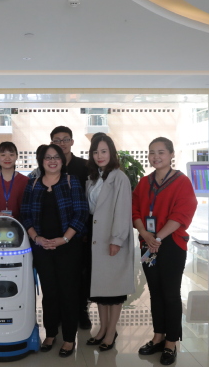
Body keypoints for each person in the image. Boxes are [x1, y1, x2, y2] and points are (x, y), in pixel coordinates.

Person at [132, 137, 197, 365]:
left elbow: (182, 214)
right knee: (155, 292)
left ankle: (171, 341)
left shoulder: (182, 182)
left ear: (171, 154)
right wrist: (146, 235)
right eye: (152, 152)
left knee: (170, 293)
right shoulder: (144, 182)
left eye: (161, 152)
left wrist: (158, 237)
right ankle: (158, 336)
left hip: (171, 243)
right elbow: (135, 210)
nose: (156, 156)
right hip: (148, 242)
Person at [21, 144, 89, 358]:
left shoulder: (71, 181)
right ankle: (50, 334)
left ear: (62, 160)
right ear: (41, 161)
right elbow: (25, 214)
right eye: (48, 157)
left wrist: (63, 239)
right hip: (42, 247)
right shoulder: (33, 184)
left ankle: (69, 338)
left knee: (68, 292)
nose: (52, 161)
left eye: (56, 157)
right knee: (49, 292)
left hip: (68, 247)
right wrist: (36, 238)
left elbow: (81, 213)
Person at [85, 134, 135, 351]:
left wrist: (117, 239)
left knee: (114, 289)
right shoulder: (93, 178)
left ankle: (111, 331)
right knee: (100, 289)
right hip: (96, 238)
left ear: (112, 153)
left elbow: (123, 211)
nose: (100, 156)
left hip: (112, 238)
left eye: (104, 151)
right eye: (96, 152)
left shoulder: (119, 177)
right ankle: (103, 328)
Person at [50, 125, 92, 329]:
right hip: (54, 230)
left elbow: (89, 200)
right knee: (58, 274)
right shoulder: (48, 165)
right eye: (57, 140)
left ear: (72, 142)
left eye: (65, 139)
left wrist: (83, 230)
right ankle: (59, 312)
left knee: (81, 273)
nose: (62, 143)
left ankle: (81, 310)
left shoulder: (84, 166)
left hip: (79, 230)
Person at [0, 141, 29, 222]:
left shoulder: (26, 181)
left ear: (17, 156)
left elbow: (28, 210)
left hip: (20, 226)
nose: (7, 158)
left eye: (11, 154)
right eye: (3, 155)